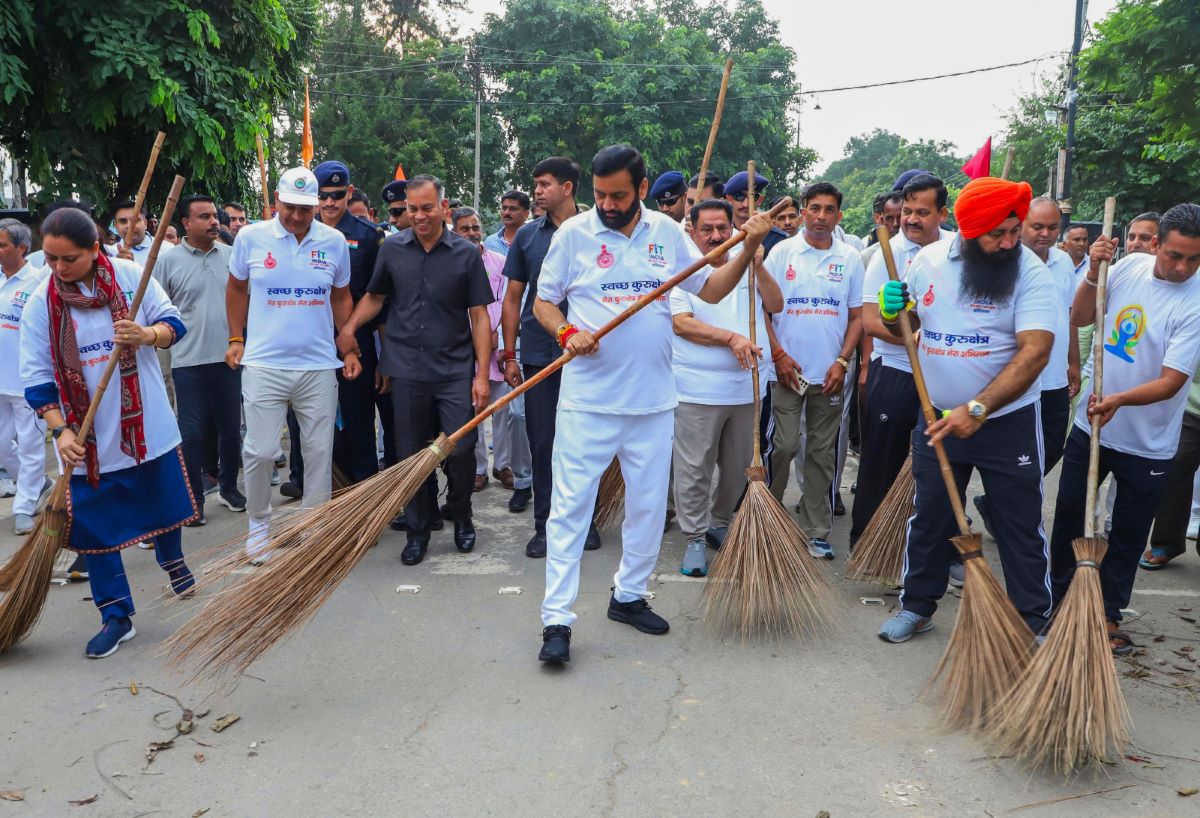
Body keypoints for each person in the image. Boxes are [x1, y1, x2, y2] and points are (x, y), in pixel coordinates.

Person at [531, 144, 772, 664]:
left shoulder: (667, 232)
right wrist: (568, 331)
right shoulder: (573, 235)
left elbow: (710, 290)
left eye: (618, 195)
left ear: (642, 189)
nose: (608, 205)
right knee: (570, 511)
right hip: (588, 403)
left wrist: (749, 248)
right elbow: (544, 302)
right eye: (599, 195)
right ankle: (557, 619)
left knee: (644, 509)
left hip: (654, 403)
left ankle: (629, 596)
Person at [875, 176, 1057, 643]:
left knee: (1020, 522)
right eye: (999, 234)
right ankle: (917, 605)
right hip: (937, 415)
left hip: (1006, 421)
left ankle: (1032, 621)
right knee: (930, 513)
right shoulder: (929, 261)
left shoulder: (1030, 272)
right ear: (969, 230)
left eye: (1014, 231)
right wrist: (895, 312)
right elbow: (908, 327)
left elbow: (1035, 352)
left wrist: (977, 409)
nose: (1010, 242)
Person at [19, 207, 196, 658]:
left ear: (95, 250)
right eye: (52, 259)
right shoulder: (42, 302)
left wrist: (145, 333)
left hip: (145, 423)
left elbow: (174, 324)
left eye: (69, 259)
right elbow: (37, 377)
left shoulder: (131, 275)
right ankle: (116, 616)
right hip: (87, 440)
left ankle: (171, 559)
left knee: (164, 503)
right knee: (97, 533)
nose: (59, 269)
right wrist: (60, 432)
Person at [1051, 203, 1200, 652]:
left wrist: (1118, 400)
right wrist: (1095, 271)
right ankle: (1059, 602)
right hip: (1091, 426)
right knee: (1071, 521)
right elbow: (1079, 317)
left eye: (1194, 259)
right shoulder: (1130, 267)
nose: (1183, 267)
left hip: (1149, 443)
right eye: (1175, 255)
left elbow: (1172, 382)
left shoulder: (1196, 301)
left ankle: (1108, 614)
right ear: (1155, 243)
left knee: (1128, 533)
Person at [338, 174, 493, 566]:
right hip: (406, 368)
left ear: (444, 208)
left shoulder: (465, 254)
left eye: (427, 208)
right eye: (412, 209)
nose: (419, 216)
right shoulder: (391, 249)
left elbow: (479, 316)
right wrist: (350, 328)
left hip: (455, 370)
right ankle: (419, 529)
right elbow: (375, 297)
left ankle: (460, 513)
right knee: (411, 455)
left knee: (461, 452)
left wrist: (480, 376)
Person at [226, 166, 360, 562]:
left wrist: (348, 347)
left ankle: (311, 527)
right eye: (290, 207)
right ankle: (259, 525)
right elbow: (236, 289)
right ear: (275, 202)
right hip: (264, 364)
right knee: (260, 451)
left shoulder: (333, 241)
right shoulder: (250, 238)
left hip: (318, 366)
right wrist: (236, 339)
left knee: (319, 450)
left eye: (306, 208)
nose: (298, 217)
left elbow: (340, 296)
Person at [671, 199, 783, 576]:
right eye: (707, 230)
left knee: (738, 468)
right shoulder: (682, 265)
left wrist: (757, 263)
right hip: (697, 390)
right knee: (694, 468)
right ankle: (694, 537)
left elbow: (776, 303)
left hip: (747, 388)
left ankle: (719, 522)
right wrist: (731, 338)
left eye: (723, 228)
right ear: (693, 231)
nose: (716, 236)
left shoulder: (745, 260)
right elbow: (682, 324)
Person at [500, 157, 602, 556]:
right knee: (543, 443)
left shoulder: (597, 233)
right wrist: (510, 354)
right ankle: (545, 526)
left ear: (568, 187)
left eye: (544, 185)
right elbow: (513, 298)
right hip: (540, 355)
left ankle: (586, 521)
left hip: (590, 357)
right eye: (536, 185)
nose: (537, 192)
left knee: (584, 444)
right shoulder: (527, 237)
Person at [764, 181, 864, 559]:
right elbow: (764, 312)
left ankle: (815, 529)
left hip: (831, 374)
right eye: (814, 208)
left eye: (829, 210)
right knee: (784, 446)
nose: (821, 217)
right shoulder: (781, 253)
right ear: (802, 210)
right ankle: (769, 520)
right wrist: (778, 355)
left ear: (839, 215)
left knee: (821, 455)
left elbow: (857, 317)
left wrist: (842, 361)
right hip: (787, 372)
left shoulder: (850, 259)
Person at [852, 174, 953, 548]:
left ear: (942, 213)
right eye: (907, 211)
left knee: (943, 465)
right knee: (883, 461)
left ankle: (939, 549)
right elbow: (870, 321)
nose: (911, 219)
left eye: (922, 212)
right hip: (896, 371)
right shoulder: (887, 253)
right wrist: (907, 336)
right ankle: (870, 545)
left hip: (944, 374)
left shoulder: (958, 250)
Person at [153, 195, 246, 526]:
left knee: (231, 430)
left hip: (230, 358)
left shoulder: (233, 257)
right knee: (191, 433)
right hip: (187, 362)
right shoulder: (168, 261)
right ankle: (194, 499)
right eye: (204, 217)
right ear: (186, 224)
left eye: (214, 216)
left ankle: (229, 488)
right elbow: (157, 308)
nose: (213, 222)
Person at [451, 205, 532, 495]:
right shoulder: (450, 261)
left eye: (475, 227)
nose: (472, 233)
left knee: (504, 410)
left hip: (497, 346)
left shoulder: (499, 260)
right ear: (454, 231)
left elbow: (507, 301)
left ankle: (504, 465)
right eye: (465, 228)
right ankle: (478, 469)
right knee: (473, 410)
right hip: (463, 348)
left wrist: (496, 334)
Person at [0, 218, 51, 535]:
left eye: (2, 244)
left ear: (21, 248)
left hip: (27, 380)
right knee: (2, 445)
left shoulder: (38, 281)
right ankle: (38, 483)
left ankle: (24, 505)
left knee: (32, 444)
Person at [724, 170, 788, 257]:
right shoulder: (721, 234)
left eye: (753, 197)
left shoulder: (777, 238)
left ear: (760, 200)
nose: (746, 204)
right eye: (739, 196)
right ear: (729, 199)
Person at [860, 191, 904, 270]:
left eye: (900, 217)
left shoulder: (922, 251)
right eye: (889, 218)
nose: (895, 224)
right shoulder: (867, 257)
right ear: (882, 220)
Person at [485, 190, 530, 256]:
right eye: (504, 208)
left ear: (526, 214)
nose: (507, 213)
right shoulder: (490, 242)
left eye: (513, 209)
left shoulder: (535, 240)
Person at [109, 199, 152, 266]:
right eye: (123, 221)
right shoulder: (110, 253)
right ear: (116, 226)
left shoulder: (165, 249)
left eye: (135, 220)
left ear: (145, 223)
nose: (129, 226)